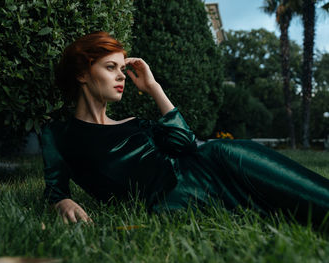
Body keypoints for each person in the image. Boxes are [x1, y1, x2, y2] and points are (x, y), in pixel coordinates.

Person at [42, 31, 329, 225]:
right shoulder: (57, 135)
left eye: (122, 68)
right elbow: (56, 190)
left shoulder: (137, 125)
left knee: (315, 198)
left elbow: (187, 144)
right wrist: (62, 202)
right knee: (287, 213)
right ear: (82, 74)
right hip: (186, 204)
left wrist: (154, 88)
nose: (121, 76)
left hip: (221, 164)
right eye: (110, 67)